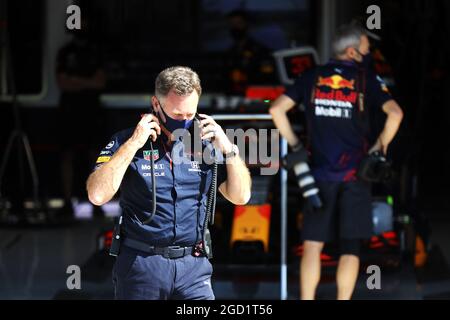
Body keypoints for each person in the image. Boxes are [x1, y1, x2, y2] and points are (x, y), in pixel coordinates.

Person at [86, 66, 251, 300]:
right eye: (176, 115)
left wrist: (229, 149)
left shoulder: (206, 144)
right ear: (156, 104)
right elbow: (97, 195)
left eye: (189, 115)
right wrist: (133, 144)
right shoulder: (125, 141)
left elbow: (241, 196)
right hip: (142, 265)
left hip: (194, 267)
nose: (184, 121)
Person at [269, 25, 403, 300]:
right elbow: (395, 114)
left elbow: (276, 109)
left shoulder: (311, 76)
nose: (368, 54)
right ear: (352, 52)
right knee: (350, 247)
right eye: (366, 49)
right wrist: (378, 150)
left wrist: (295, 144)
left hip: (317, 174)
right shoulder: (367, 79)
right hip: (357, 175)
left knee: (312, 245)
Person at [56, 19, 106, 218]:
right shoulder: (65, 52)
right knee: (66, 154)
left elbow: (100, 82)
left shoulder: (96, 52)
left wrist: (75, 81)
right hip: (69, 109)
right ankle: (67, 202)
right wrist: (87, 82)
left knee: (94, 155)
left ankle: (96, 201)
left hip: (90, 109)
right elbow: (62, 83)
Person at [225, 9, 276, 95]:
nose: (236, 27)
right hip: (233, 95)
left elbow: (267, 78)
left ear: (246, 24)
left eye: (239, 23)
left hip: (255, 95)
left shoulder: (260, 50)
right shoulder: (230, 52)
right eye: (232, 24)